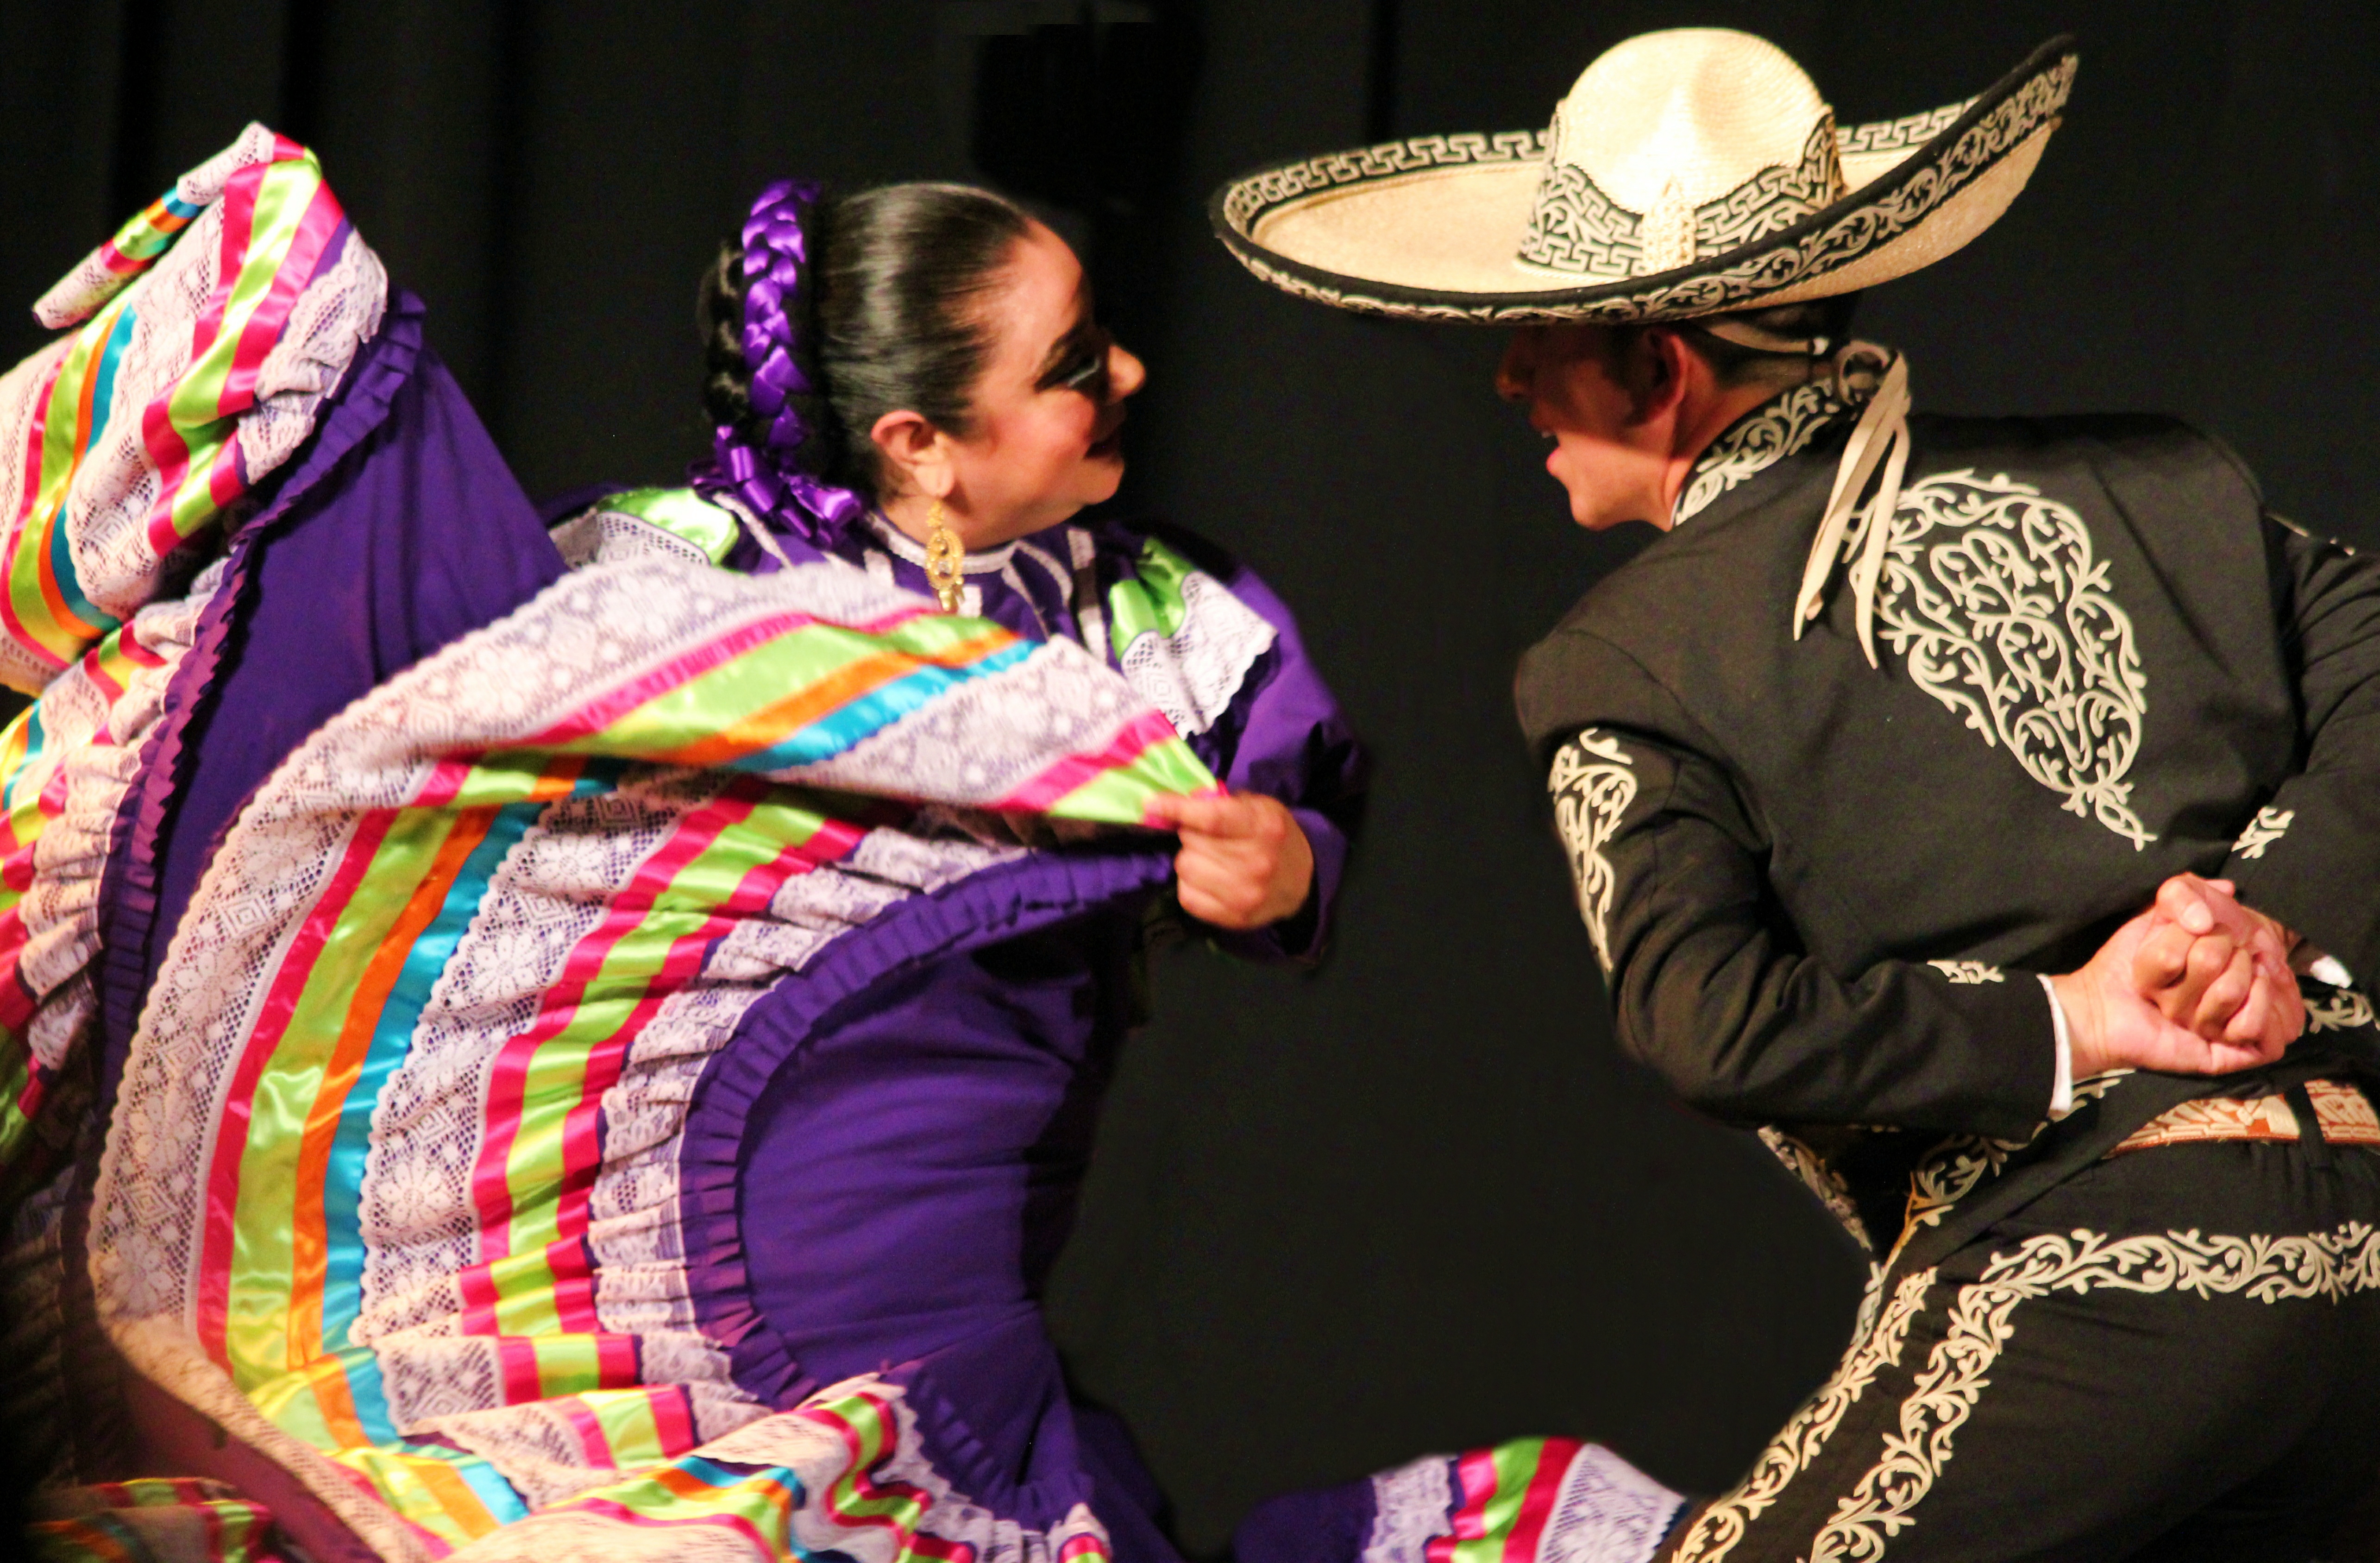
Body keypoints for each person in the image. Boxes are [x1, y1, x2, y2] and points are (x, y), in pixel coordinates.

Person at [1, 142, 1362, 1562]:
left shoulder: (1169, 621)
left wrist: (1285, 869)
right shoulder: (676, 580)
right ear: (919, 443)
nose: (1131, 374)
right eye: (1073, 362)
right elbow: (442, 796)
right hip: (633, 1265)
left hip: (946, 1293)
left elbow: (1297, 819)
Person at [1211, 27, 2380, 1561]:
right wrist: (2265, 924)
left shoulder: (1620, 657)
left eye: (1542, 337)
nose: (1508, 375)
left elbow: (1704, 1016)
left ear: (1656, 362)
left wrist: (2084, 1020)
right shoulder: (2163, 473)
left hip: (2105, 1276)